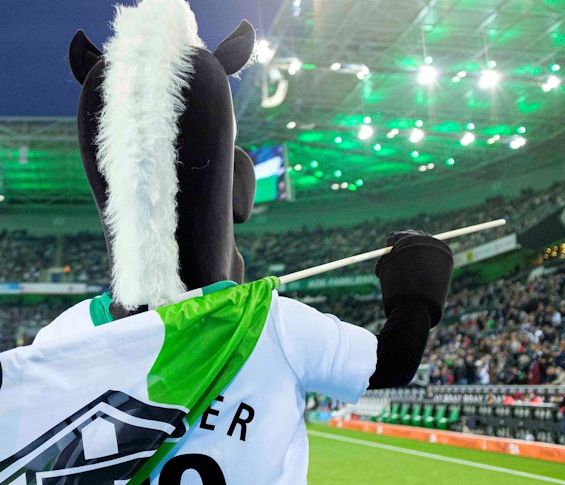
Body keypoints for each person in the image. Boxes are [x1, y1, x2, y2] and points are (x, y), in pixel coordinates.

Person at [49, 0, 455, 482]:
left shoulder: (61, 341)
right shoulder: (271, 325)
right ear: (237, 193)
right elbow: (390, 363)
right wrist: (416, 289)